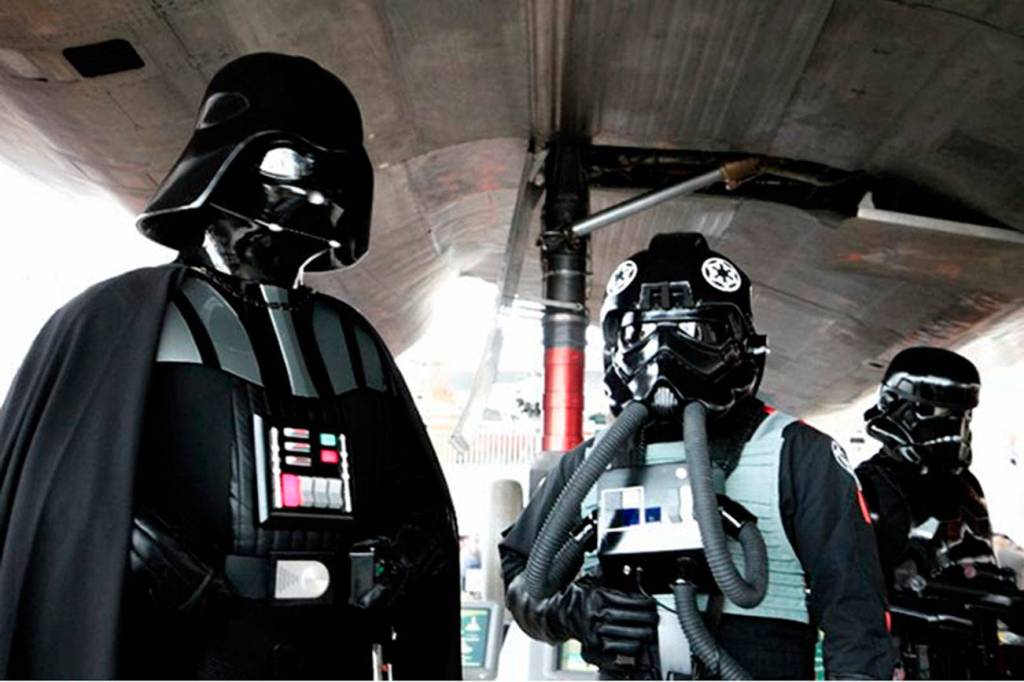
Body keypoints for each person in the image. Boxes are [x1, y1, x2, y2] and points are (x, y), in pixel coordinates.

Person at [0, 53, 461, 679]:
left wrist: (402, 557)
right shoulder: (118, 322)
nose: (318, 193)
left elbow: (422, 508)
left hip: (332, 655)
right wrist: (143, 552)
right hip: (182, 656)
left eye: (337, 171)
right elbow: (56, 498)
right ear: (224, 161)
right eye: (292, 163)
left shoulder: (355, 344)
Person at [499, 232, 898, 679]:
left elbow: (856, 614)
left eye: (693, 331)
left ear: (741, 343)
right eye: (641, 333)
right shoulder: (589, 463)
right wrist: (577, 610)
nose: (663, 351)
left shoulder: (796, 453)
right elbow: (522, 572)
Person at [856, 347, 1022, 679]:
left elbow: (974, 565)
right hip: (905, 663)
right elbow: (848, 597)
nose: (954, 427)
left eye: (963, 415)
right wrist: (934, 617)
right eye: (937, 411)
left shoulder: (966, 488)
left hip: (977, 661)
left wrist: (1005, 602)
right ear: (899, 408)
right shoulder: (867, 489)